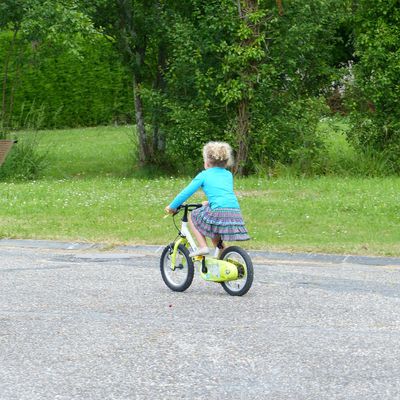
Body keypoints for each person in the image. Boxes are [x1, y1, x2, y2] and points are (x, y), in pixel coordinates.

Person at [165, 141, 250, 257]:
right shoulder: (228, 175)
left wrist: (172, 206)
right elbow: (222, 194)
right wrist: (209, 203)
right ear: (225, 163)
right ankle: (224, 261)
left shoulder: (203, 175)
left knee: (193, 216)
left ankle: (203, 247)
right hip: (234, 212)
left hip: (218, 212)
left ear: (207, 162)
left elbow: (185, 193)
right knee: (215, 238)